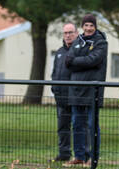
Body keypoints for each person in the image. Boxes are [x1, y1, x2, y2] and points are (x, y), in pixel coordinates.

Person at [65, 14, 108, 165]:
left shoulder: (101, 43)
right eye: (86, 25)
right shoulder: (77, 41)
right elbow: (67, 61)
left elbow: (94, 60)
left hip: (92, 91)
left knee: (92, 125)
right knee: (77, 123)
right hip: (76, 90)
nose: (88, 28)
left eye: (91, 25)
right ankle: (79, 156)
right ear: (82, 26)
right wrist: (82, 62)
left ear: (95, 27)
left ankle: (93, 157)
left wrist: (76, 61)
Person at [50, 22, 78, 161]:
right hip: (60, 98)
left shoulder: (79, 51)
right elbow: (55, 72)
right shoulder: (60, 52)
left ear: (77, 34)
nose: (68, 35)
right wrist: (54, 88)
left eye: (70, 32)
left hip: (75, 97)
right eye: (65, 33)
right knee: (62, 127)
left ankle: (82, 156)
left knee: (79, 128)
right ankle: (64, 154)